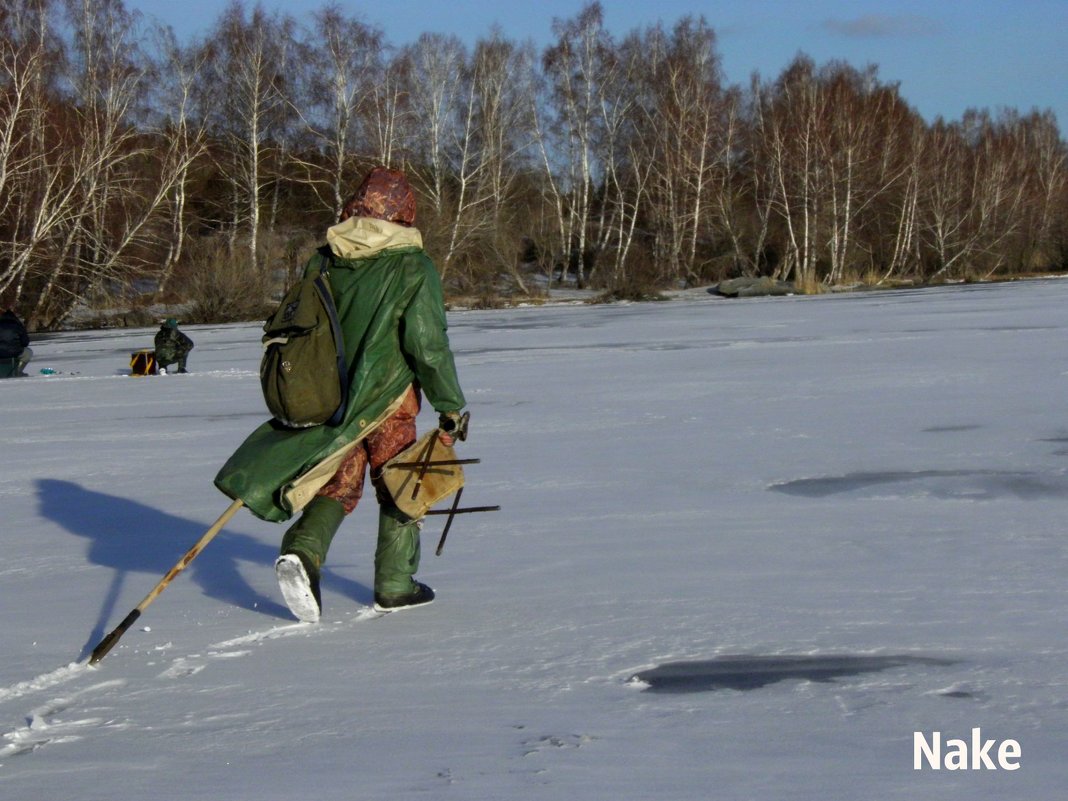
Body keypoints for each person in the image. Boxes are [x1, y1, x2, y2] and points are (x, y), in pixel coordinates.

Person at [214, 166, 466, 622]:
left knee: (339, 484)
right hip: (388, 398)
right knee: (402, 483)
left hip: (331, 398)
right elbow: (427, 344)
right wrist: (450, 405)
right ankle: (394, 583)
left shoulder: (325, 258)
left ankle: (302, 551)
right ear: (404, 211)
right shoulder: (411, 265)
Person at [0, 309, 32, 378]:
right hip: (15, 352)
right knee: (28, 353)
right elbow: (25, 342)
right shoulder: (18, 326)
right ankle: (18, 371)